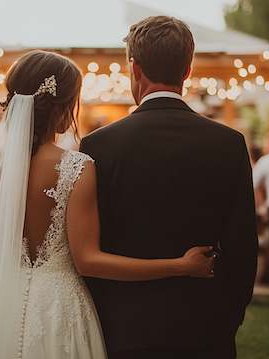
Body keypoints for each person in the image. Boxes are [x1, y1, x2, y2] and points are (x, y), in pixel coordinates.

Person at [0, 50, 216, 359]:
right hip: (60, 308)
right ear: (65, 105)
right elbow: (89, 261)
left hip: (2, 307)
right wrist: (180, 266)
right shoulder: (75, 168)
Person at [80, 16, 258, 358]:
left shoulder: (98, 146)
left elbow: (92, 244)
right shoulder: (229, 143)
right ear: (188, 70)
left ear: (134, 68)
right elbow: (243, 244)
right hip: (206, 326)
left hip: (124, 327)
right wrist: (229, 317)